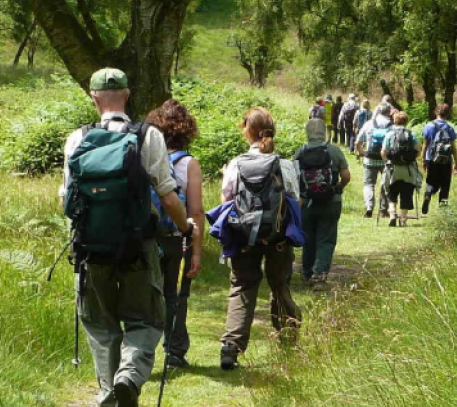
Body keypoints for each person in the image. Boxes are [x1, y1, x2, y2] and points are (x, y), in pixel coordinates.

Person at [60, 69, 193, 407]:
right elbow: (167, 195)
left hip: (92, 249)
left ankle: (108, 392)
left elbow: (67, 202)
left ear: (93, 96)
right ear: (128, 94)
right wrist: (186, 227)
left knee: (101, 325)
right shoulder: (148, 136)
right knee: (145, 318)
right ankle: (129, 376)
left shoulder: (77, 139)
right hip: (139, 246)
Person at [214, 108, 303, 370]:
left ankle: (231, 347)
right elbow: (294, 200)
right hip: (278, 239)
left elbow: (226, 201)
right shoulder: (284, 165)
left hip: (243, 237)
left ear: (246, 130)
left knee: (242, 286)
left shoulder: (235, 164)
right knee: (280, 285)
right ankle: (288, 337)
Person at [142, 99, 205, 370]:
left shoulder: (142, 157)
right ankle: (175, 352)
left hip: (147, 238)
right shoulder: (189, 163)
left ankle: (140, 353)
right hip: (177, 238)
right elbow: (197, 210)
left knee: (145, 296)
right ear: (186, 130)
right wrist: (197, 249)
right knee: (175, 295)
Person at [293, 119, 351, 285]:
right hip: (331, 201)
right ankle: (319, 275)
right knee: (326, 238)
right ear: (324, 132)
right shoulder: (334, 150)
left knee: (309, 238)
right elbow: (346, 176)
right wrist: (338, 187)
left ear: (308, 133)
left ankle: (307, 273)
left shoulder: (300, 152)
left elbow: (294, 179)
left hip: (306, 202)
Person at [381, 110, 423, 227]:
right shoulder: (411, 134)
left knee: (391, 191)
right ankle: (403, 219)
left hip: (393, 168)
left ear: (394, 121)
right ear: (406, 121)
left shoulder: (389, 134)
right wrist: (411, 159)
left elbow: (383, 151)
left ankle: (393, 214)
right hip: (408, 169)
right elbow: (418, 150)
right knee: (407, 192)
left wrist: (387, 162)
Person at [354, 102, 394, 219]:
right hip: (386, 160)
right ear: (388, 112)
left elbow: (358, 142)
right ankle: (383, 211)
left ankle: (369, 208)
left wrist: (361, 152)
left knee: (368, 184)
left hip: (369, 159)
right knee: (386, 184)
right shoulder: (391, 126)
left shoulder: (369, 124)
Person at [421, 103, 457, 214]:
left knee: (430, 182)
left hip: (432, 160)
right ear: (447, 114)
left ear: (436, 112)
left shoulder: (428, 126)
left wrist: (423, 160)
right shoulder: (450, 128)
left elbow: (425, 145)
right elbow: (454, 148)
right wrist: (456, 164)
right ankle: (443, 210)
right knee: (445, 185)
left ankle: (428, 195)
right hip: (446, 161)